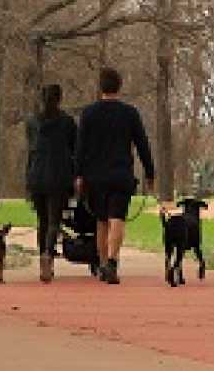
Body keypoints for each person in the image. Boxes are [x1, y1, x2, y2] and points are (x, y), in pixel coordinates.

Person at [73, 67, 153, 284]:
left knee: (101, 221)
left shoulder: (88, 113)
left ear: (101, 87)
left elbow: (80, 147)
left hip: (95, 176)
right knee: (117, 219)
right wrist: (150, 172)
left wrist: (78, 174)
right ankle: (112, 262)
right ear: (120, 87)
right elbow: (142, 144)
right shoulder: (129, 113)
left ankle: (101, 264)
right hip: (120, 174)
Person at [23, 83, 79, 283]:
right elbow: (75, 150)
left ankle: (42, 258)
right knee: (54, 220)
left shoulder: (32, 122)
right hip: (59, 176)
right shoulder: (67, 122)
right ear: (60, 99)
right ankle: (48, 253)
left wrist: (27, 179)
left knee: (42, 221)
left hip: (37, 175)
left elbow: (31, 150)